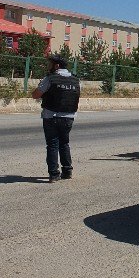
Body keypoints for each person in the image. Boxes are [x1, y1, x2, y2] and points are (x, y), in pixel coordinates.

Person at [32, 54, 81, 183]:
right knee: (64, 143)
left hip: (51, 116)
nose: (48, 66)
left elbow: (36, 95)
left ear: (57, 65)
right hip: (69, 117)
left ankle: (54, 174)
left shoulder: (50, 78)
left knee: (52, 144)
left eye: (50, 63)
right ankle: (67, 171)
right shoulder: (75, 80)